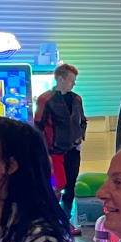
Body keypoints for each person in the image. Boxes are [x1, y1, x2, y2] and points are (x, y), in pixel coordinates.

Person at [35, 62, 87, 230]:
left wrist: (80, 136)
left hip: (73, 150)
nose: (74, 83)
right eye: (71, 80)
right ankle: (50, 217)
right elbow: (38, 125)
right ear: (61, 79)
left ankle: (65, 220)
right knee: (58, 185)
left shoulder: (77, 98)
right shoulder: (46, 99)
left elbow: (82, 120)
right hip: (54, 151)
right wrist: (44, 149)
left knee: (70, 185)